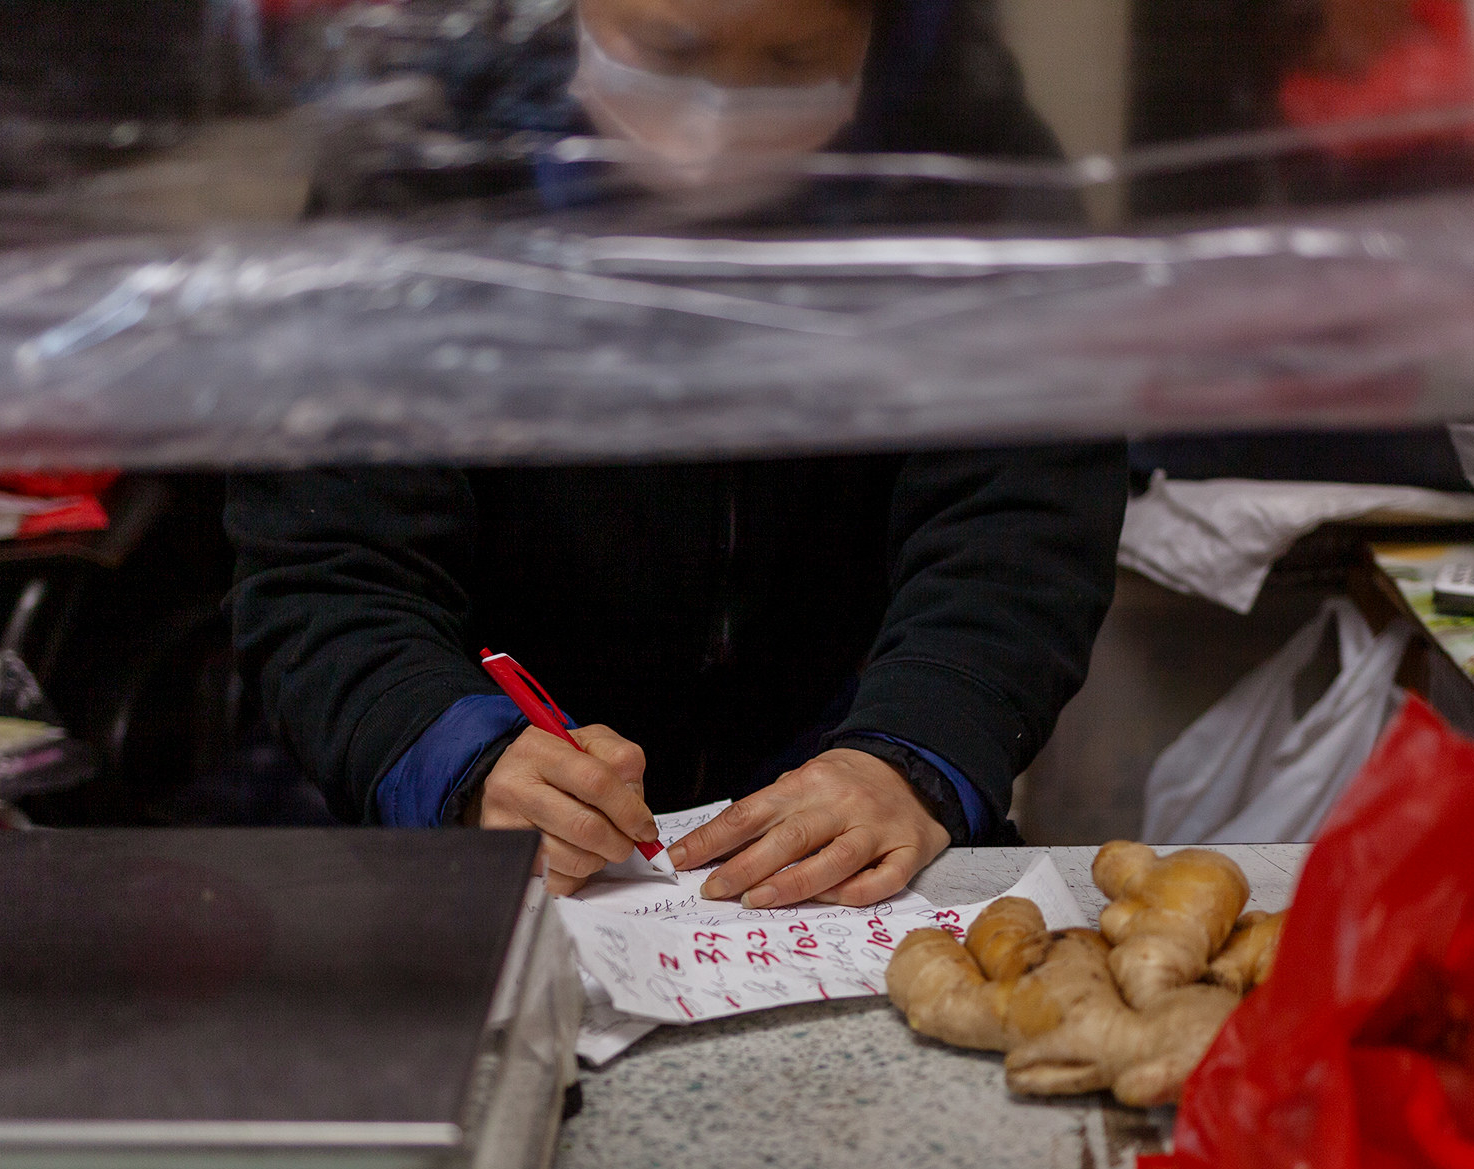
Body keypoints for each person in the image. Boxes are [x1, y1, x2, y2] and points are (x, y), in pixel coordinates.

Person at [229, 0, 1127, 907]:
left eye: (792, 60)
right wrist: (460, 755)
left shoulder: (962, 164)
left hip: (832, 809)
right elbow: (326, 566)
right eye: (665, 51)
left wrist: (908, 754)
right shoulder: (421, 176)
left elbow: (1018, 525)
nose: (717, 120)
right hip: (490, 831)